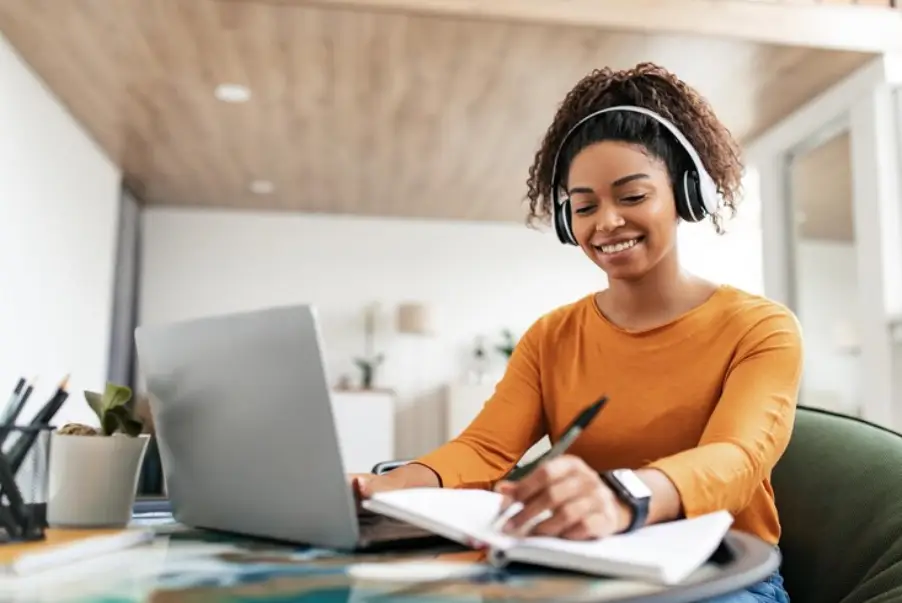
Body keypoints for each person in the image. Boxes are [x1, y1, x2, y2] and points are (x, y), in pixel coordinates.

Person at [352, 62, 801, 603]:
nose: (605, 223)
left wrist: (623, 495)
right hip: (586, 563)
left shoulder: (760, 327)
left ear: (686, 193)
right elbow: (485, 449)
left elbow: (736, 457)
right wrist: (380, 489)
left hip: (720, 573)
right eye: (584, 206)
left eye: (632, 197)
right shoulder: (553, 335)